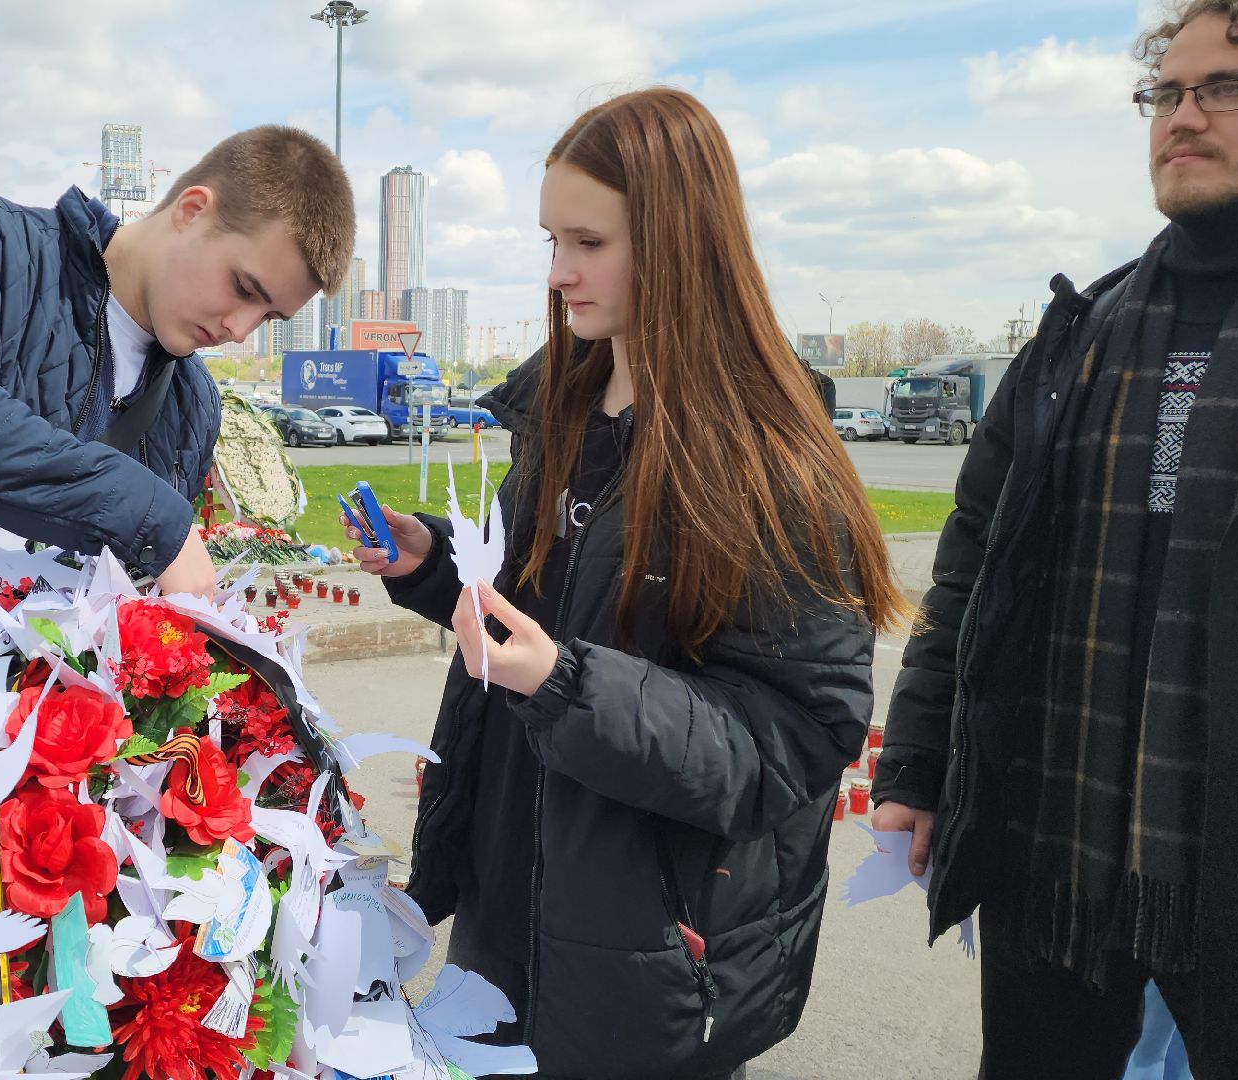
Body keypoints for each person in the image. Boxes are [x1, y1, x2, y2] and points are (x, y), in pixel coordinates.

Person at [351, 89, 906, 1080]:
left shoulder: (767, 465)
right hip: (500, 915)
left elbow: (793, 745)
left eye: (587, 241)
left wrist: (567, 684)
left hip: (643, 965)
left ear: (677, 239)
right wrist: (436, 570)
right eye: (549, 240)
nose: (558, 272)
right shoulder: (554, 411)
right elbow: (536, 622)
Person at [870, 3, 1238, 1076]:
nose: (1182, 118)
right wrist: (914, 761)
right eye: (1164, 94)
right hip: (1057, 844)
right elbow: (971, 568)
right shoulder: (1077, 337)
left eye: (1227, 88)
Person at [0, 125, 354, 666]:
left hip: (67, 738)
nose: (241, 328)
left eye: (270, 316)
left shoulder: (195, 401)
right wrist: (149, 516)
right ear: (192, 210)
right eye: (243, 289)